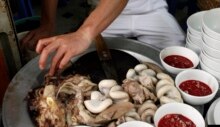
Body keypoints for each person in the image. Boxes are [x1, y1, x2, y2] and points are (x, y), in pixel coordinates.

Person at [35, 0, 185, 76]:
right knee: (75, 65)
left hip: (152, 10)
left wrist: (84, 34)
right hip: (103, 16)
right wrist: (47, 24)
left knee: (181, 64)